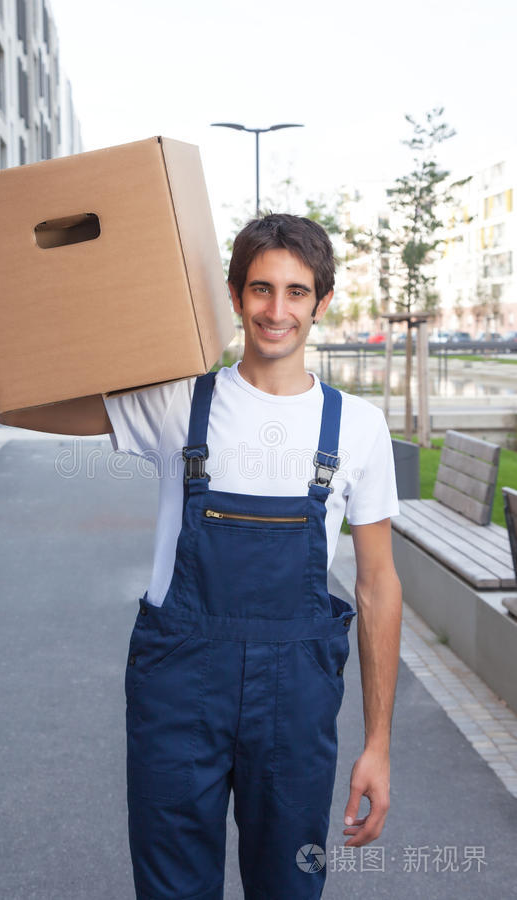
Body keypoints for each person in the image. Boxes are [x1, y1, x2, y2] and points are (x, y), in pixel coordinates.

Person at [102, 213, 402, 899]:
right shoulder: (178, 401)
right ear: (235, 296)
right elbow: (28, 406)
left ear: (321, 304)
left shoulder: (355, 426)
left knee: (288, 888)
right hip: (178, 686)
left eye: (296, 292)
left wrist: (378, 744)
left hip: (293, 701)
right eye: (260, 289)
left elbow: (378, 586)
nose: (276, 310)